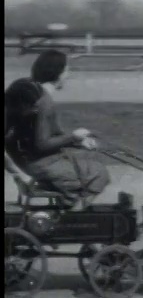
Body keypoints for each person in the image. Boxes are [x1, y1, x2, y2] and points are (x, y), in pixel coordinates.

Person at [4, 50, 110, 210]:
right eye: (67, 70)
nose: (68, 74)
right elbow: (43, 144)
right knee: (99, 173)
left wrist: (78, 142)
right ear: (57, 73)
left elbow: (41, 136)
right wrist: (74, 137)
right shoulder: (45, 102)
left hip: (23, 159)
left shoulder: (30, 91)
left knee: (89, 163)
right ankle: (70, 215)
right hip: (39, 163)